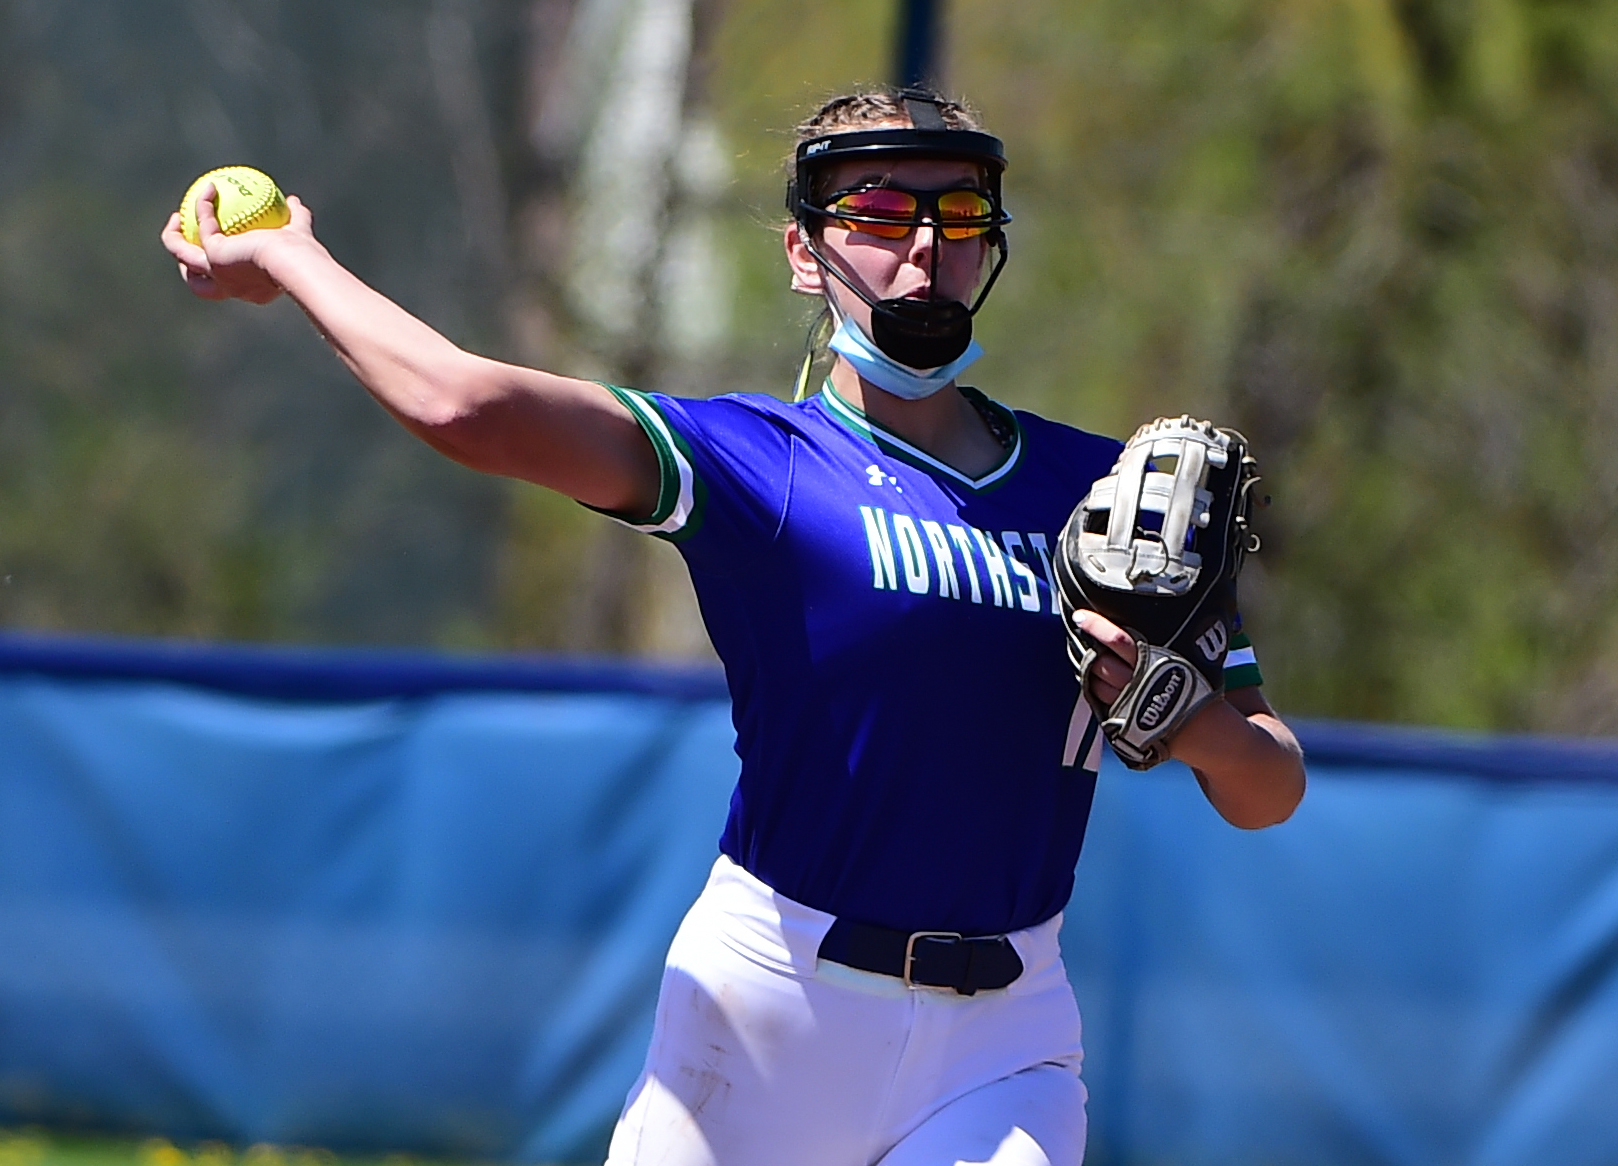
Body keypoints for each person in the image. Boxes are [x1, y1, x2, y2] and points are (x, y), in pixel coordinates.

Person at [163, 86, 1304, 1166]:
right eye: (878, 210)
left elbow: (1269, 784)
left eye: (959, 212)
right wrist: (289, 256)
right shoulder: (758, 464)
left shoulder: (1103, 493)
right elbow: (464, 404)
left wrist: (1193, 718)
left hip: (1006, 1038)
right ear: (805, 253)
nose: (924, 244)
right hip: (773, 1005)